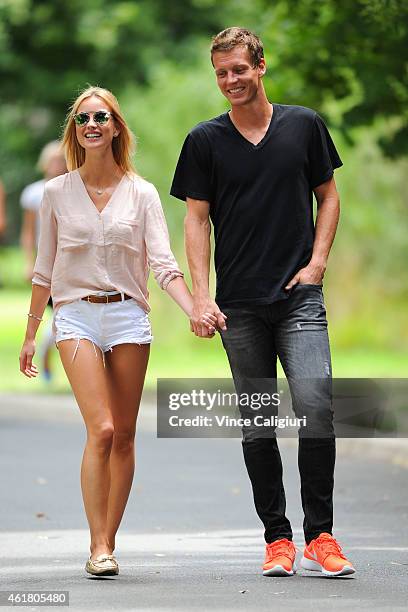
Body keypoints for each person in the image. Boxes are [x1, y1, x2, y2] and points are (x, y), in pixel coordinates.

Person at [171, 27, 355, 577]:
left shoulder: (303, 126)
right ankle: (277, 540)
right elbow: (196, 218)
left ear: (261, 67)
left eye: (239, 70)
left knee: (316, 408)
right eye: (222, 72)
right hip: (239, 306)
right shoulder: (205, 141)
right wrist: (201, 296)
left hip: (300, 298)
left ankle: (321, 536)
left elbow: (328, 195)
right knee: (258, 422)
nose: (230, 80)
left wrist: (317, 263)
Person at [19, 86, 215, 577]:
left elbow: (165, 267)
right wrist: (30, 334)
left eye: (102, 117)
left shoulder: (142, 192)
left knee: (125, 435)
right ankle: (96, 545)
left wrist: (196, 308)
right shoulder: (55, 194)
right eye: (84, 118)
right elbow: (44, 269)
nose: (92, 124)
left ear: (115, 127)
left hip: (128, 315)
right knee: (101, 428)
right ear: (75, 130)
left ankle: (110, 539)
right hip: (76, 316)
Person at [20, 141, 67, 380]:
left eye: (62, 160)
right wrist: (29, 262)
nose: (57, 165)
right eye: (54, 160)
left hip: (69, 263)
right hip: (46, 264)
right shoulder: (33, 193)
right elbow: (28, 232)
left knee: (63, 313)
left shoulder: (74, 189)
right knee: (58, 314)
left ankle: (50, 353)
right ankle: (48, 354)